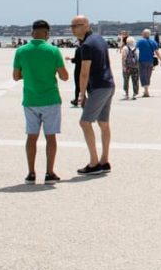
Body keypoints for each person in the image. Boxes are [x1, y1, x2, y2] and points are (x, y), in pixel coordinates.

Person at [13, 20, 69, 183]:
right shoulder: (53, 50)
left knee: (32, 137)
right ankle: (49, 173)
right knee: (50, 137)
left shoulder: (21, 51)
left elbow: (16, 76)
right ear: (47, 34)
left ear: (32, 33)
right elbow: (64, 76)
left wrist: (29, 74)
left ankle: (31, 173)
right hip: (50, 99)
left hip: (30, 100)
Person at [72, 16, 115, 175]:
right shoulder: (99, 39)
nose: (73, 29)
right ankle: (104, 161)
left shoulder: (87, 45)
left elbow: (84, 72)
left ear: (86, 26)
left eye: (77, 25)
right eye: (72, 26)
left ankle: (94, 162)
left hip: (99, 86)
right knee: (103, 123)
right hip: (109, 84)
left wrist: (82, 94)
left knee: (85, 122)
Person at [135, 29, 161, 97]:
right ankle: (146, 90)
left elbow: (135, 50)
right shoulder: (153, 42)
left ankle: (146, 90)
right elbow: (157, 52)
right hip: (150, 61)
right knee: (148, 75)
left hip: (142, 61)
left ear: (143, 34)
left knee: (143, 75)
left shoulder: (140, 41)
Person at [120, 35, 139, 100]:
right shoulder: (136, 48)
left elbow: (123, 58)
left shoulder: (125, 48)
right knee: (135, 81)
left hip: (127, 67)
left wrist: (123, 66)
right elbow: (138, 58)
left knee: (126, 80)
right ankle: (135, 94)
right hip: (135, 67)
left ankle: (126, 93)